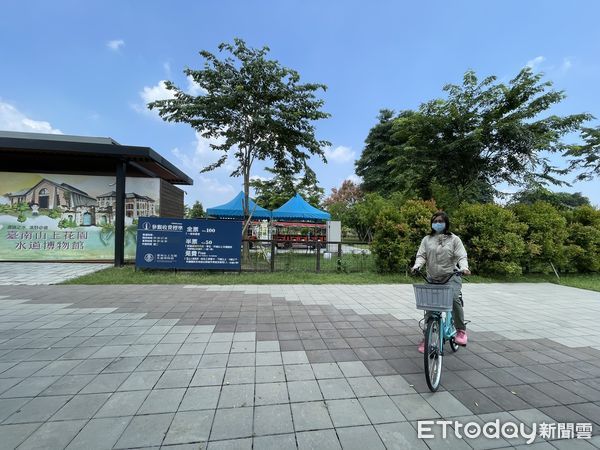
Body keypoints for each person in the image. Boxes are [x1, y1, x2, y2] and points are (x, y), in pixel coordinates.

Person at [411, 211, 471, 353]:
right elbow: (421, 255)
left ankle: (461, 330)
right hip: (432, 277)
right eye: (435, 221)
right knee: (429, 307)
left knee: (454, 299)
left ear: (446, 223)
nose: (437, 223)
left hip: (451, 277)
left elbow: (461, 256)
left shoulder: (454, 239)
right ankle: (427, 336)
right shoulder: (427, 239)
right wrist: (417, 266)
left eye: (440, 221)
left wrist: (464, 267)